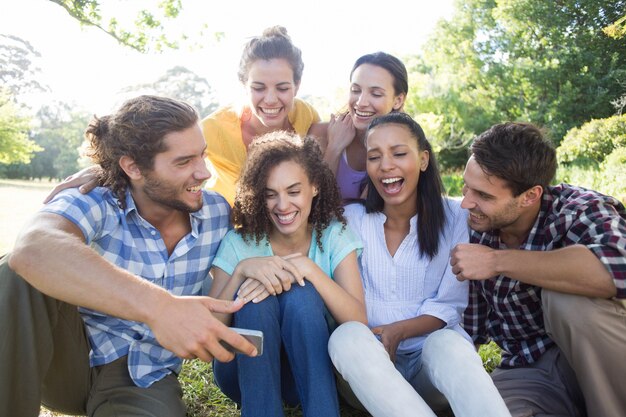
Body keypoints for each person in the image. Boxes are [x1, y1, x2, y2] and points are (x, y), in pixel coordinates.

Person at [0, 95, 258, 417]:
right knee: (17, 272)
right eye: (183, 162)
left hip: (144, 378)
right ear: (132, 167)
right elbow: (32, 247)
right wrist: (159, 308)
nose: (204, 172)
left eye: (202, 155)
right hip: (66, 357)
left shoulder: (217, 212)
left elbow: (281, 210)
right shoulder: (96, 198)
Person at [328, 113, 511, 417]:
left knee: (447, 344)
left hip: (429, 370)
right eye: (375, 157)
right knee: (345, 337)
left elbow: (450, 305)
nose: (386, 165)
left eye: (399, 153)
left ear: (423, 159)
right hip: (368, 369)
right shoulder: (352, 221)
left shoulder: (455, 217)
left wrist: (399, 330)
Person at [451, 122, 626, 417]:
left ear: (530, 196)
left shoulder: (577, 210)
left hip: (604, 356)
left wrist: (496, 261)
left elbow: (617, 267)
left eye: (483, 195)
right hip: (530, 369)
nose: (467, 202)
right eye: (467, 186)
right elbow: (469, 325)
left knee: (566, 302)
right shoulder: (476, 226)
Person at [44, 25, 320, 207]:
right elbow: (161, 154)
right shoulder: (213, 129)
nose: (271, 99)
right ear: (243, 84)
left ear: (297, 85)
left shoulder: (305, 115)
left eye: (283, 88)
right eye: (258, 88)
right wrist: (104, 170)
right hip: (234, 234)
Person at [207, 131, 366, 417]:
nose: (283, 206)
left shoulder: (332, 236)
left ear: (314, 186)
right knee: (257, 298)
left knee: (302, 293)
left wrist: (310, 270)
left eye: (293, 191)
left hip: (308, 370)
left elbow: (358, 319)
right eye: (271, 195)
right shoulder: (239, 243)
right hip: (243, 375)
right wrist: (242, 272)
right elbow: (210, 333)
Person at [310, 51, 408, 201]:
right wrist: (334, 148)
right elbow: (309, 204)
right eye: (355, 90)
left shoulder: (404, 149)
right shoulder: (320, 134)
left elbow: (367, 214)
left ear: (398, 100)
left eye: (375, 94)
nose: (361, 102)